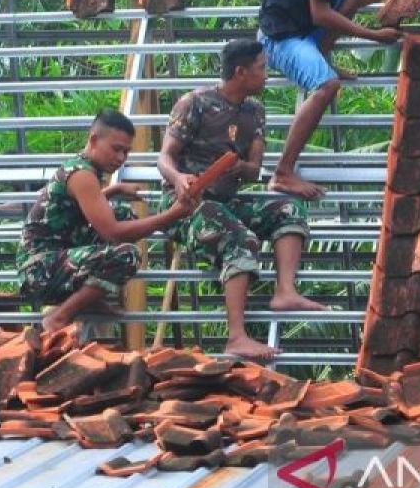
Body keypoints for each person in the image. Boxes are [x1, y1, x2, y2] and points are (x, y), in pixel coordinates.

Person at [157, 39, 325, 360]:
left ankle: (285, 291)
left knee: (286, 207)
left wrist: (237, 166)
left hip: (226, 200)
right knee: (239, 237)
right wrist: (179, 179)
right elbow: (164, 158)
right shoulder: (194, 103)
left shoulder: (255, 111)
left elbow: (253, 171)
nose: (266, 75)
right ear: (240, 72)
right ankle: (237, 337)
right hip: (186, 205)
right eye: (261, 68)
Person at [258, 0, 417, 199]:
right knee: (327, 84)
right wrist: (374, 36)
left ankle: (322, 57)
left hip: (304, 31)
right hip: (280, 38)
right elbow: (321, 13)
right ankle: (283, 172)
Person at [18, 108, 197, 333]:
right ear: (94, 140)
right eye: (116, 149)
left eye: (126, 152)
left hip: (54, 260)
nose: (121, 158)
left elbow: (81, 207)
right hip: (39, 269)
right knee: (127, 255)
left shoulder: (83, 168)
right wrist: (172, 215)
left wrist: (115, 190)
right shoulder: (82, 175)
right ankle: (58, 317)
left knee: (122, 213)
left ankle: (90, 300)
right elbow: (112, 232)